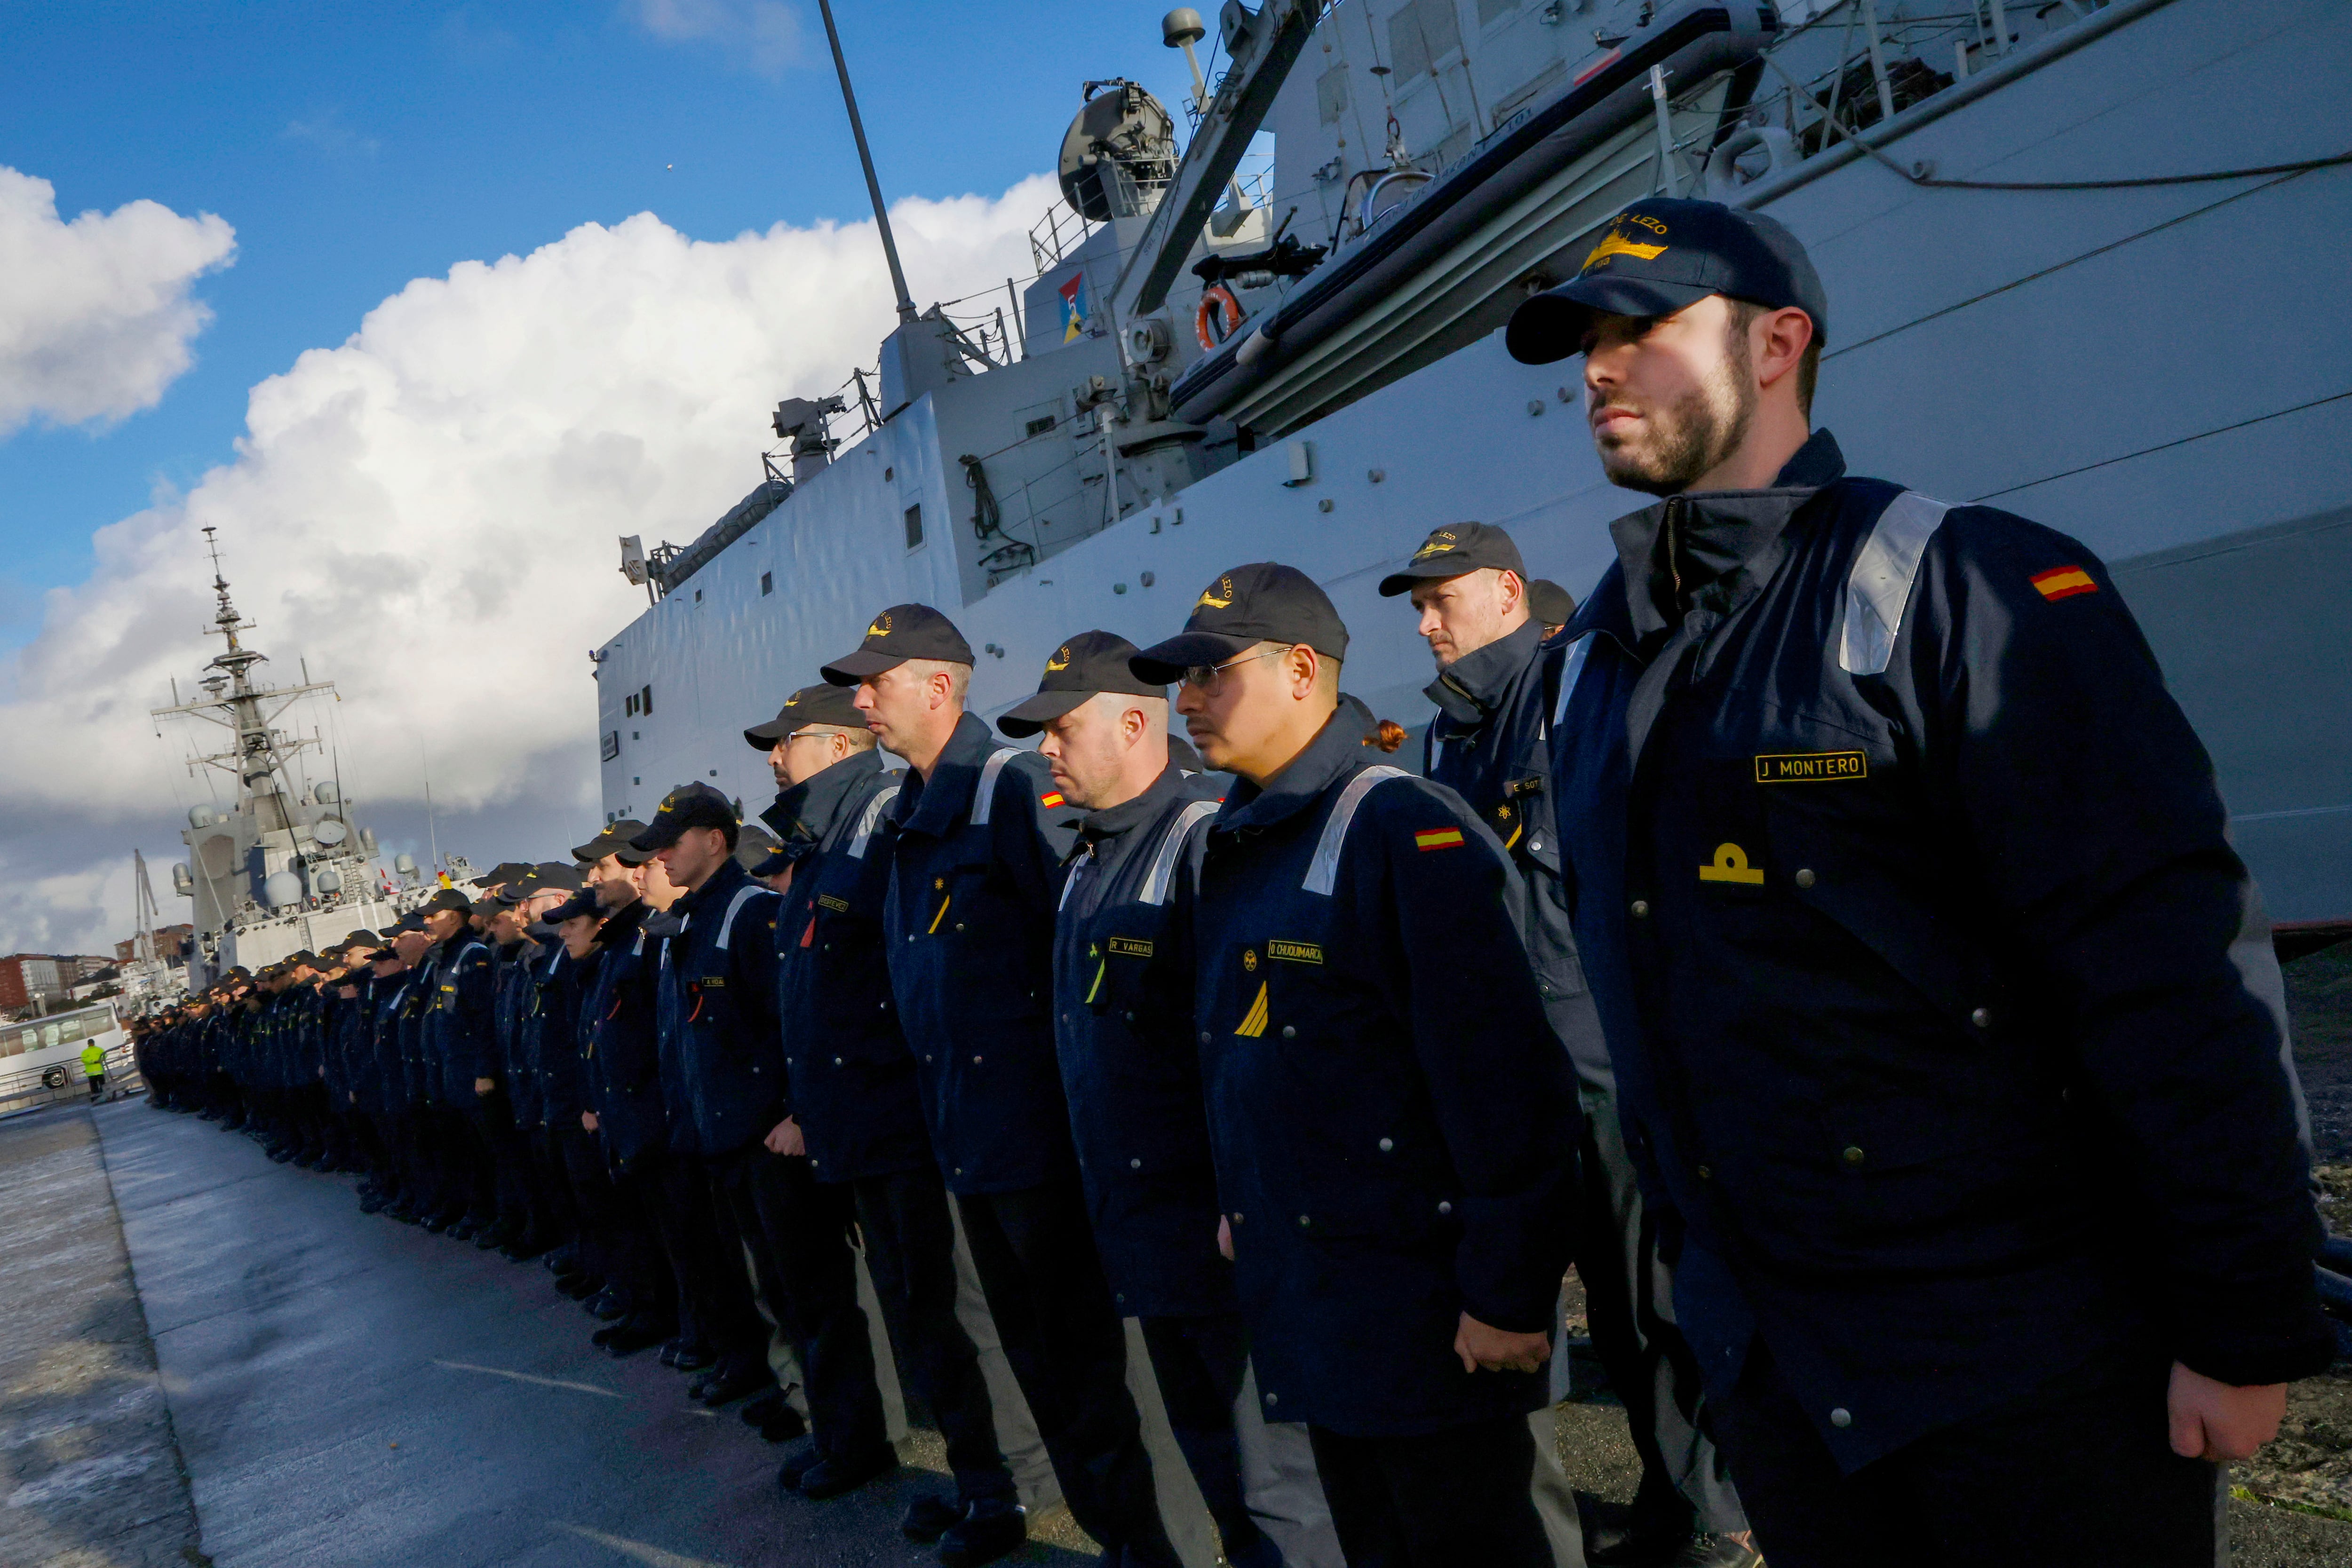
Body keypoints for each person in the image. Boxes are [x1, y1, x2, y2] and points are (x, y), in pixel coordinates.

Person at [1506, 195, 2334, 1567]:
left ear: (1776, 343)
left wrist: (2240, 1322)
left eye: (1642, 329)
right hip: (1789, 1386)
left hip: (2029, 1374)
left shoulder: (1963, 584)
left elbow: (2166, 967)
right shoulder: (1601, 655)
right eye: (1586, 339)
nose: (1597, 367)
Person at [1129, 564, 1582, 1568]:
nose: (1186, 699)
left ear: (1301, 669)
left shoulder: (1399, 828)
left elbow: (1507, 1081)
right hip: (1323, 1302)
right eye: (1178, 680)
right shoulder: (1238, 843)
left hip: (1428, 1315)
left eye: (1209, 671)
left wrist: (1507, 1292)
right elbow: (1244, 1048)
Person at [1381, 521, 1748, 1565]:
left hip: (1602, 1071)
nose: (1425, 623)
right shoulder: (1447, 733)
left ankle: (1715, 1511)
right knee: (1539, 1314)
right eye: (1416, 605)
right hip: (1512, 1079)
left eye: (1440, 599)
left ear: (1504, 590)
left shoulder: (1567, 698)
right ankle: (1657, 1498)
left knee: (1652, 1314)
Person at [825, 603, 1181, 1568]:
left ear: (939, 685)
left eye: (877, 679)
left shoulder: (1010, 786)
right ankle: (1116, 1534)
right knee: (1042, 1363)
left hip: (1044, 1143)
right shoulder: (911, 810)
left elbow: (1089, 958)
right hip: (968, 1140)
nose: (861, 699)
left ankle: (1161, 1543)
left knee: (1101, 1366)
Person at [1009, 630, 1336, 1568]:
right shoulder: (1085, 858)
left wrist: (1244, 1192)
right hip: (1144, 1228)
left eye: (1063, 727)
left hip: (1217, 1224)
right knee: (1214, 1470)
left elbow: (1250, 1044)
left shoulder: (1201, 836)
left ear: (1133, 723)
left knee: (1282, 1487)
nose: (1047, 749)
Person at [81, 1036, 105, 1101]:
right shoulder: (99, 1049)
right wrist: (100, 1060)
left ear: (88, 1044)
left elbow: (84, 1060)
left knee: (94, 1087)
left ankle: (97, 1097)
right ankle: (103, 1095)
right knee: (102, 1084)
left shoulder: (85, 1052)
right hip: (99, 1071)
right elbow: (105, 1055)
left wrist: (92, 1062)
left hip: (92, 1073)